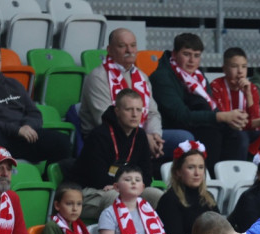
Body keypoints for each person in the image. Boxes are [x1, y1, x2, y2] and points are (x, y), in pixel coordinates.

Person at [0, 38, 71, 163]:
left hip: (23, 135)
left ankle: (48, 180)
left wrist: (28, 126)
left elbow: (34, 113)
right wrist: (15, 130)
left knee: (63, 142)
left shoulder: (13, 84)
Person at [79, 27, 187, 157]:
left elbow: (152, 112)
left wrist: (154, 135)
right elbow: (104, 119)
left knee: (184, 140)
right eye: (122, 46)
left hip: (143, 134)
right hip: (107, 137)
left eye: (133, 45)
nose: (129, 50)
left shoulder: (142, 76)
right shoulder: (98, 77)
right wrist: (142, 137)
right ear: (109, 50)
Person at [149, 32, 248, 167]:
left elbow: (210, 107)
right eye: (186, 54)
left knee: (237, 135)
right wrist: (220, 117)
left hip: (194, 123)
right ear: (174, 54)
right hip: (172, 125)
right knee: (211, 134)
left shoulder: (199, 76)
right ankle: (209, 179)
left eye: (196, 56)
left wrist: (231, 120)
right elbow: (180, 116)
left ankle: (230, 180)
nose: (192, 60)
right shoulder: (162, 77)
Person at [155, 141, 233, 234]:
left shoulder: (208, 198)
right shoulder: (169, 200)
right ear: (178, 172)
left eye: (201, 167)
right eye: (191, 167)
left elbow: (221, 230)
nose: (197, 173)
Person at [70, 88, 150, 220]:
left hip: (127, 188)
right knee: (117, 198)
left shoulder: (140, 135)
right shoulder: (99, 135)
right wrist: (123, 188)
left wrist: (131, 187)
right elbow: (96, 177)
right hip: (91, 191)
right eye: (129, 109)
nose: (135, 114)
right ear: (117, 111)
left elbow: (147, 173)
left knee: (156, 195)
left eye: (139, 110)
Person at [97, 165, 180, 234]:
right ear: (116, 187)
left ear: (142, 187)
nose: (133, 183)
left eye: (137, 180)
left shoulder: (149, 211)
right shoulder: (108, 214)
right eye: (127, 179)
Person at [211, 47, 260, 153]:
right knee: (241, 137)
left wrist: (248, 95)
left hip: (247, 130)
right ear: (224, 69)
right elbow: (228, 121)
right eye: (234, 66)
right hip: (226, 130)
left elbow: (255, 120)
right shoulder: (216, 86)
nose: (240, 71)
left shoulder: (252, 88)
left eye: (244, 67)